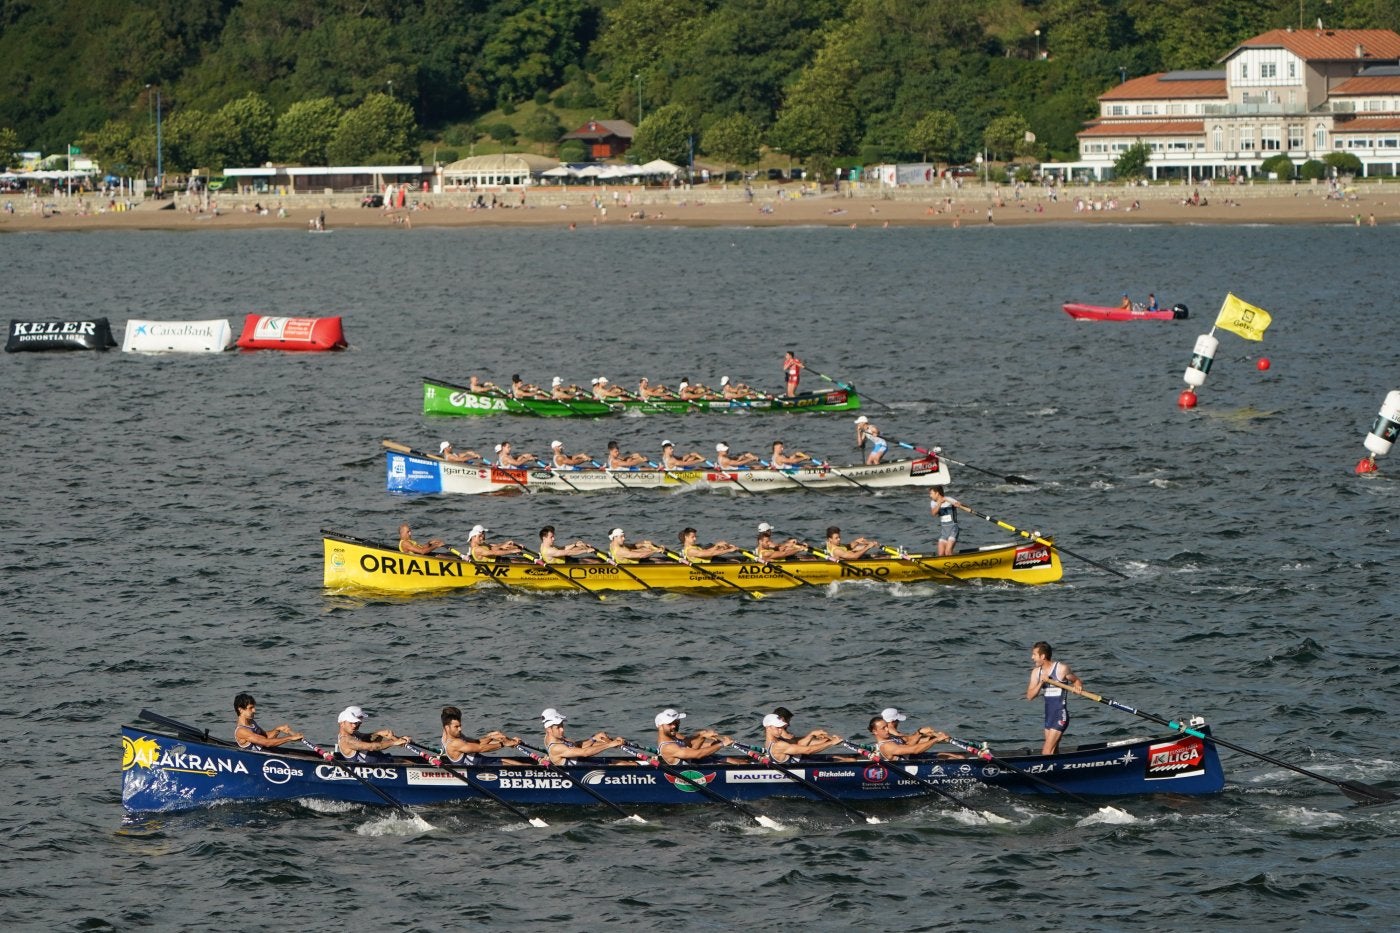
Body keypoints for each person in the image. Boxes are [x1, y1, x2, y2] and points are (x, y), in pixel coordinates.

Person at [1025, 641, 1083, 755]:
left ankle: (1041, 772)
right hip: (1049, 717)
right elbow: (1030, 696)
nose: (1032, 658)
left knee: (1046, 752)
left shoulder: (1061, 669)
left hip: (1060, 715)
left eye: (1034, 655)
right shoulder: (1036, 673)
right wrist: (1041, 682)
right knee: (1053, 751)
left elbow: (1076, 680)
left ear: (1043, 656)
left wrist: (1078, 687)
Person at [541, 708, 626, 764]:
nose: (562, 729)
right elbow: (585, 752)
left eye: (562, 725)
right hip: (582, 771)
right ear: (548, 729)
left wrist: (594, 739)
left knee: (628, 763)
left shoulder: (553, 736)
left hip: (584, 762)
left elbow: (576, 746)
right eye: (558, 727)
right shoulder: (556, 748)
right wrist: (609, 745)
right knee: (626, 765)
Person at [440, 706, 520, 763]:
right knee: (520, 766)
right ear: (447, 727)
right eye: (456, 726)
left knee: (520, 764)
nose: (460, 729)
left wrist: (491, 737)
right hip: (481, 769)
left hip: (482, 761)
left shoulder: (453, 734)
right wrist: (504, 744)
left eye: (460, 725)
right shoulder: (454, 743)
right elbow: (481, 748)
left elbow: (476, 742)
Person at [653, 709, 730, 765]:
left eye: (676, 723)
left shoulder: (674, 736)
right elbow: (697, 754)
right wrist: (722, 744)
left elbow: (691, 746)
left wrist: (702, 736)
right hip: (687, 776)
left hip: (692, 764)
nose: (674, 726)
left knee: (730, 760)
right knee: (729, 762)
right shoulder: (668, 747)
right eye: (669, 724)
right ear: (660, 726)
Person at [335, 705, 411, 762]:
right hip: (375, 768)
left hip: (380, 761)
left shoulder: (353, 733)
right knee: (404, 762)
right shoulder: (346, 740)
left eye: (357, 723)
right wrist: (394, 742)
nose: (355, 725)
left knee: (402, 760)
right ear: (342, 724)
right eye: (351, 723)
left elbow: (367, 738)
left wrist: (380, 734)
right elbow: (372, 747)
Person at [760, 712, 842, 763]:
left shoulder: (770, 742)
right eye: (778, 727)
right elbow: (808, 750)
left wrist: (812, 735)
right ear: (768, 727)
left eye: (781, 727)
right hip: (804, 766)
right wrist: (831, 743)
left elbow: (798, 745)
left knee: (839, 758)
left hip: (803, 760)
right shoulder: (778, 745)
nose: (781, 730)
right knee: (848, 761)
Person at [868, 709, 948, 760]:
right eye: (883, 728)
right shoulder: (887, 746)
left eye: (886, 726)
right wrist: (936, 739)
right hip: (910, 767)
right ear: (875, 732)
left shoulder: (891, 738)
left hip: (912, 760)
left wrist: (923, 734)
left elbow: (909, 742)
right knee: (954, 757)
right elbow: (914, 749)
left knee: (957, 757)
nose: (887, 729)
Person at [233, 693, 303, 749]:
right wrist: (290, 738)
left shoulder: (252, 722)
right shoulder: (241, 731)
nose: (254, 710)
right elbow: (267, 743)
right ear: (240, 710)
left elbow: (265, 737)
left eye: (254, 707)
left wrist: (277, 730)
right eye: (251, 708)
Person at [929, 486, 961, 556]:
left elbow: (962, 505)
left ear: (937, 493)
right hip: (944, 532)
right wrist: (939, 503)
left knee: (948, 552)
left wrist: (959, 504)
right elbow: (933, 513)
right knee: (940, 554)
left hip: (953, 530)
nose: (930, 496)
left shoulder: (949, 499)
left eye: (931, 493)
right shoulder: (933, 503)